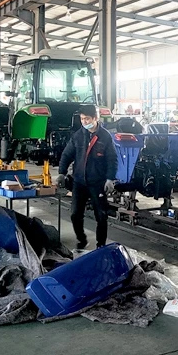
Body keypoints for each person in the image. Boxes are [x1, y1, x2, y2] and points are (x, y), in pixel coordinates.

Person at [56, 104, 118, 249]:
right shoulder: (78, 136)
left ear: (96, 118)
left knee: (101, 216)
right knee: (75, 214)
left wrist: (110, 179)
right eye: (82, 119)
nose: (84, 122)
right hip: (79, 182)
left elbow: (112, 159)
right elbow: (67, 154)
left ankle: (101, 245)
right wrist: (61, 173)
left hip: (97, 183)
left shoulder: (105, 137)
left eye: (87, 119)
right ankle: (82, 240)